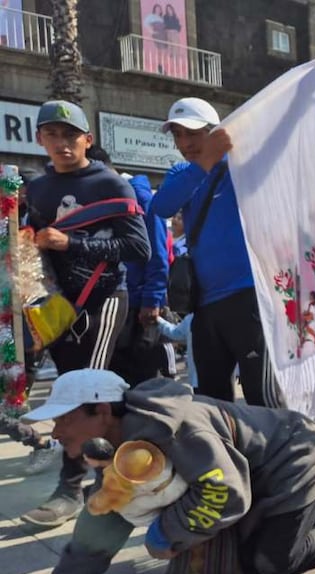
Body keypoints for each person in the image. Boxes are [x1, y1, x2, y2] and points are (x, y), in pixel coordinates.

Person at [9, 370, 315, 574]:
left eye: (64, 418)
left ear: (103, 410)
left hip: (294, 454)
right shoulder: (114, 447)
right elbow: (106, 509)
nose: (56, 431)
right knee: (240, 544)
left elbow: (224, 492)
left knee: (273, 563)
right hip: (252, 468)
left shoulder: (172, 430)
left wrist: (167, 534)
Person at [20, 101, 152, 528]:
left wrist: (71, 244)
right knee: (72, 387)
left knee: (84, 389)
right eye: (52, 135)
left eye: (70, 135)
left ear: (87, 140)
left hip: (106, 297)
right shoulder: (37, 190)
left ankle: (73, 487)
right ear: (40, 140)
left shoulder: (111, 183)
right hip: (58, 308)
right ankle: (126, 463)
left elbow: (138, 249)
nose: (62, 143)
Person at [150, 97, 283, 408]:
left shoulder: (242, 165)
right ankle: (221, 456)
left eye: (193, 133)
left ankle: (273, 455)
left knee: (262, 397)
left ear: (215, 131)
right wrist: (203, 163)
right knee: (210, 400)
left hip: (248, 295)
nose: (184, 143)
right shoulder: (183, 172)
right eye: (177, 135)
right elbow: (161, 206)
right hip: (204, 304)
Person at [80, 146, 170, 389]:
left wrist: (152, 299)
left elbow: (158, 253)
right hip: (108, 303)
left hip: (140, 306)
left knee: (143, 381)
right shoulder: (98, 199)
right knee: (114, 381)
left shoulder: (141, 198)